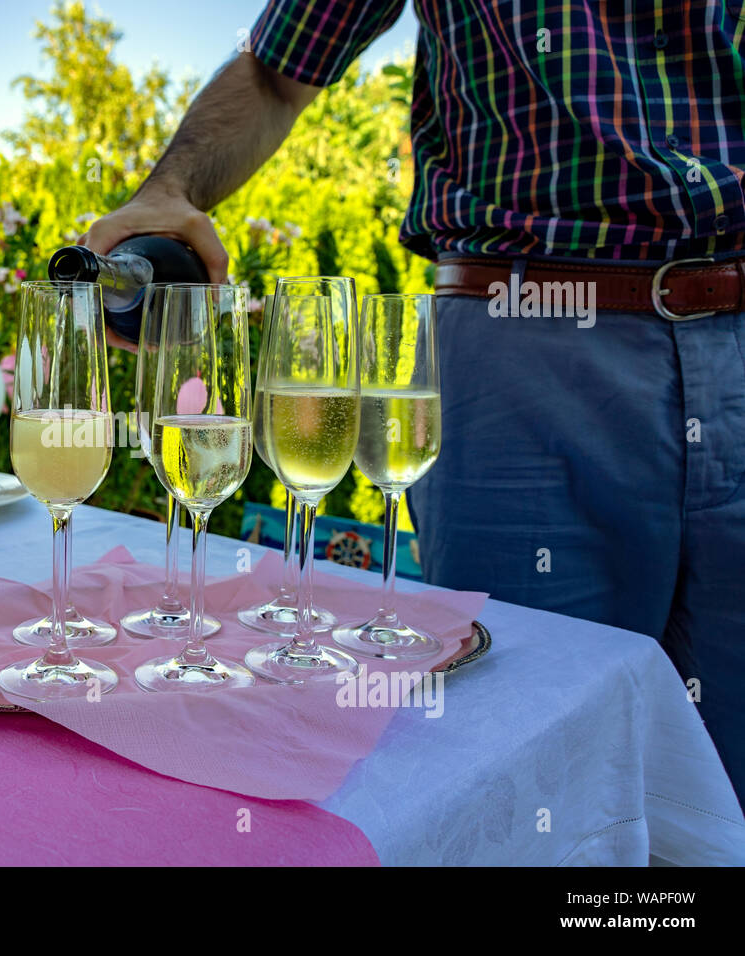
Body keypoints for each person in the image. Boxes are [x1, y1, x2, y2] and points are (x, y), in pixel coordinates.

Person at [81, 0, 745, 802]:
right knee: (519, 766)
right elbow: (277, 70)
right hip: (521, 350)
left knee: (728, 777)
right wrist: (169, 188)